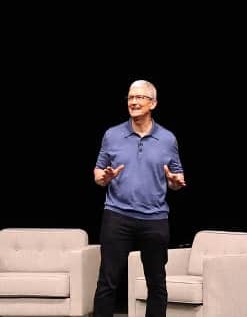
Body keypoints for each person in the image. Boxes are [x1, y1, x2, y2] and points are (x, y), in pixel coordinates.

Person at [92, 79, 186, 317]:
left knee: (156, 284)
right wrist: (103, 177)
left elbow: (177, 175)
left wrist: (175, 183)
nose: (133, 102)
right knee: (107, 282)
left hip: (154, 218)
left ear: (153, 103)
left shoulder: (167, 139)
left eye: (139, 97)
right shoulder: (112, 135)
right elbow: (98, 173)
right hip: (117, 216)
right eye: (130, 98)